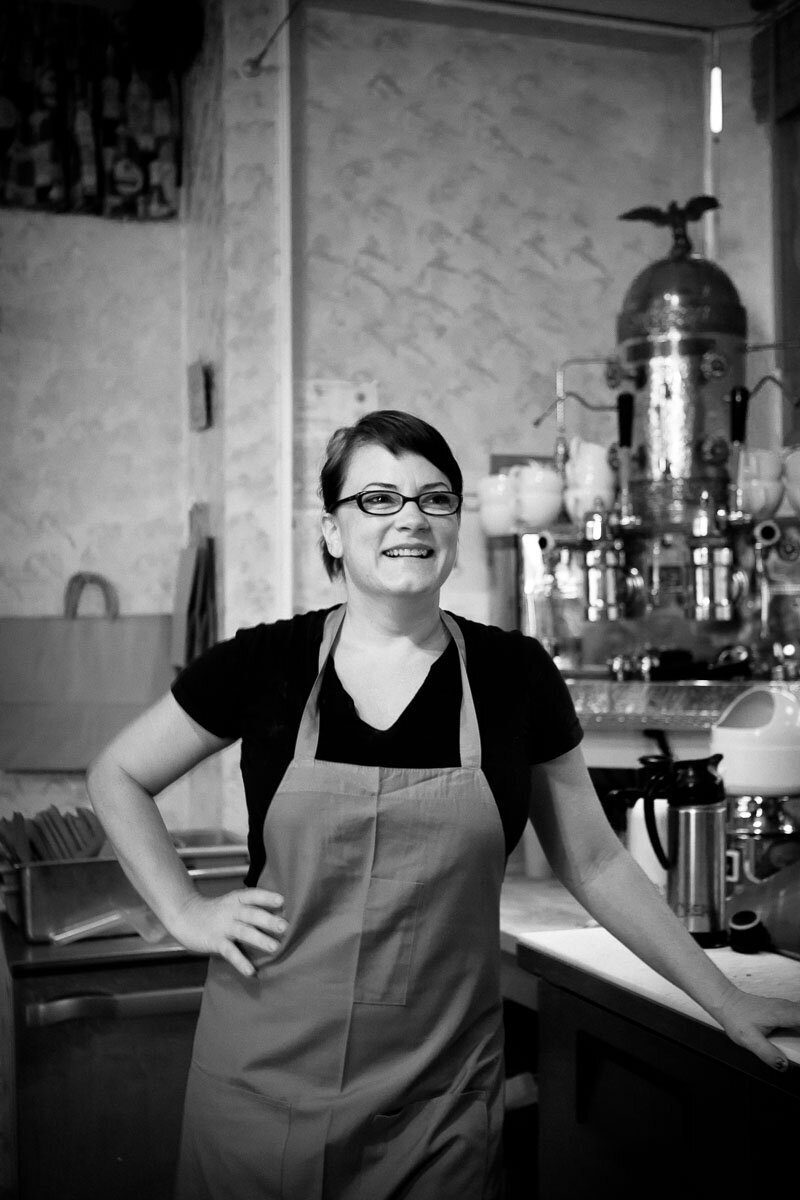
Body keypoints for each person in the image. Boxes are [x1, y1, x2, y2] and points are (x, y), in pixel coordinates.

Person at [87, 409, 800, 1200]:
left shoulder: (514, 676)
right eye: (379, 500)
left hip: (437, 1103)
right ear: (332, 530)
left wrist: (725, 998)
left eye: (434, 499)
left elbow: (595, 862)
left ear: (456, 526)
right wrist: (185, 910)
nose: (411, 519)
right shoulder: (267, 663)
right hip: (261, 1092)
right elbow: (117, 773)